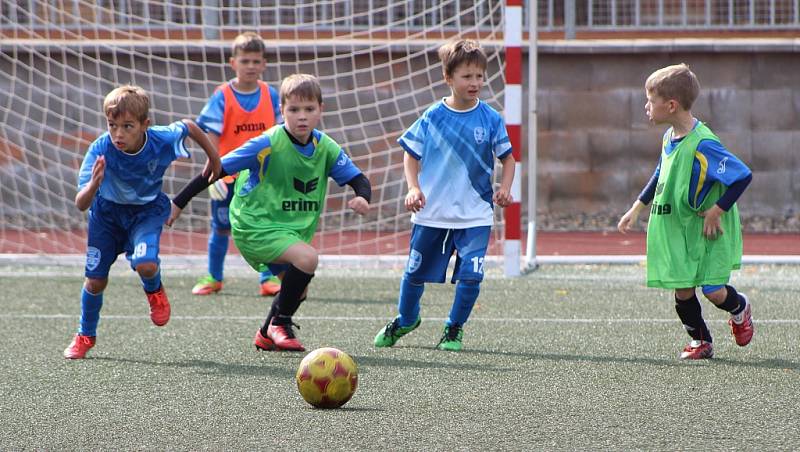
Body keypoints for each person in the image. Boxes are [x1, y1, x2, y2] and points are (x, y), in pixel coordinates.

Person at [169, 73, 371, 352]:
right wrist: (178, 203)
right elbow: (216, 167)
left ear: (320, 110)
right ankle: (281, 323)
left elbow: (359, 179)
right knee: (308, 258)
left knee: (298, 289)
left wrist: (362, 196)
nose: (302, 117)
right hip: (254, 225)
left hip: (287, 230)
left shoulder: (325, 147)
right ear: (282, 111)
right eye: (294, 109)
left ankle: (267, 332)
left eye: (309, 109)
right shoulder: (268, 143)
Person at [373, 39, 515, 352]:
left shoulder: (490, 118)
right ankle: (407, 319)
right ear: (448, 78)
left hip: (475, 214)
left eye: (479, 76)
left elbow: (508, 157)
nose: (475, 83)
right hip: (432, 213)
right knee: (413, 274)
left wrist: (505, 187)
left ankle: (454, 329)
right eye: (467, 76)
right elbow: (411, 154)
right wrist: (413, 187)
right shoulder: (433, 116)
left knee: (471, 277)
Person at [64, 85, 221, 359]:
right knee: (95, 282)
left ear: (145, 125)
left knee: (146, 265)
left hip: (146, 213)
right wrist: (93, 185)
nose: (118, 134)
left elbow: (189, 126)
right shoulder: (100, 149)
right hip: (107, 218)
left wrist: (213, 158)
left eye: (127, 126)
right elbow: (80, 203)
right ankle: (85, 335)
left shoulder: (160, 139)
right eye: (112, 126)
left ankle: (155, 290)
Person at [618, 63, 754, 360]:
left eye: (650, 101)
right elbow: (661, 174)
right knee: (682, 289)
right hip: (679, 228)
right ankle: (700, 341)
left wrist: (717, 211)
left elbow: (742, 176)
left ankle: (739, 307)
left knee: (713, 290)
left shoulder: (704, 144)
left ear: (671, 105)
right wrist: (637, 207)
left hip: (708, 228)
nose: (646, 106)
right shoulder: (669, 138)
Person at [192, 32, 284, 297]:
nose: (251, 66)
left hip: (262, 177)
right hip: (228, 176)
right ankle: (214, 276)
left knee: (265, 226)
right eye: (245, 61)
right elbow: (210, 132)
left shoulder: (271, 95)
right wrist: (215, 172)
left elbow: (281, 132)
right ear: (233, 63)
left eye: (256, 61)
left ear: (264, 64)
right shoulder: (222, 95)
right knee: (220, 226)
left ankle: (268, 277)